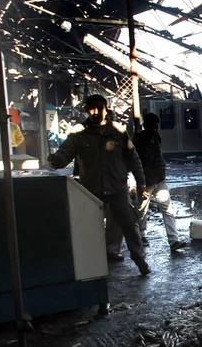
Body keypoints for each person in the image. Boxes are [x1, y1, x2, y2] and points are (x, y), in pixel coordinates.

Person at [48, 95, 151, 275]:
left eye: (100, 108)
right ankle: (90, 267)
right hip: (91, 191)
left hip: (117, 189)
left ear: (106, 108)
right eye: (92, 108)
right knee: (89, 229)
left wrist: (141, 183)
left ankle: (139, 259)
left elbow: (133, 157)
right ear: (86, 110)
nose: (96, 112)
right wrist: (56, 160)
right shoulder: (78, 133)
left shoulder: (118, 130)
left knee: (129, 225)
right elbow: (65, 154)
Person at [134, 112, 189, 253]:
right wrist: (140, 184)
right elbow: (136, 162)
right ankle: (141, 236)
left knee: (168, 210)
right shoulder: (139, 139)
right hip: (146, 181)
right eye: (152, 126)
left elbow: (158, 156)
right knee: (141, 211)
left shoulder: (157, 137)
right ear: (145, 125)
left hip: (159, 179)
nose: (154, 129)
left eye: (156, 126)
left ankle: (173, 241)